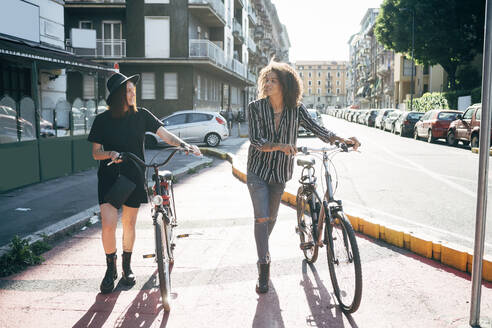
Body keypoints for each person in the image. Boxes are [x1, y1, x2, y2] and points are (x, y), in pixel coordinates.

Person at [247, 60, 359, 294]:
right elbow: (256, 141)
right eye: (265, 79)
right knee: (261, 218)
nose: (267, 83)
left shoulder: (296, 109)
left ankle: (260, 244)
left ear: (285, 85)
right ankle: (263, 266)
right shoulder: (255, 107)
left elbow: (318, 129)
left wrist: (341, 139)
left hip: (279, 173)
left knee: (272, 218)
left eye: (273, 80)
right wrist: (279, 145)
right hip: (257, 170)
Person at [88, 72, 201, 294]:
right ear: (118, 94)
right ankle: (110, 269)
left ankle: (127, 267)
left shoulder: (142, 115)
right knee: (108, 224)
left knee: (129, 224)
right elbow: (95, 153)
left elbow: (165, 135)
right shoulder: (102, 120)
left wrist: (184, 145)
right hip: (110, 178)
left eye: (133, 90)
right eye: (128, 90)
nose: (132, 94)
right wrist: (109, 153)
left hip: (134, 175)